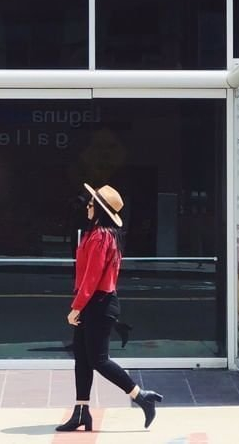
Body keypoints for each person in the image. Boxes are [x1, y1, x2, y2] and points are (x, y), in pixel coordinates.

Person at [56, 183, 163, 433]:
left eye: (92, 203)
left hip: (99, 303)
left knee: (98, 360)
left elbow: (92, 277)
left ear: (101, 209)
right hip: (95, 303)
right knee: (82, 359)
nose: (88, 206)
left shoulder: (101, 236)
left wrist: (76, 307)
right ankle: (81, 412)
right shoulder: (97, 234)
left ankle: (141, 396)